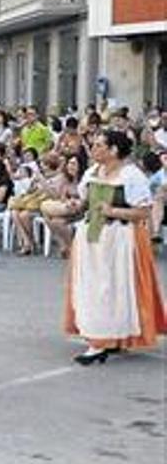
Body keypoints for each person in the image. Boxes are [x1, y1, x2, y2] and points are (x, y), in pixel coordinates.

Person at [64, 130, 166, 365]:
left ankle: (104, 341)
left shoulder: (131, 176)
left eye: (100, 145)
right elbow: (84, 203)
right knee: (92, 287)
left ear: (114, 150)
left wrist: (113, 211)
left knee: (115, 289)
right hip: (91, 237)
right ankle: (101, 337)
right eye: (95, 145)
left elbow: (143, 211)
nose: (94, 149)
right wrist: (75, 204)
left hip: (119, 238)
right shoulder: (91, 173)